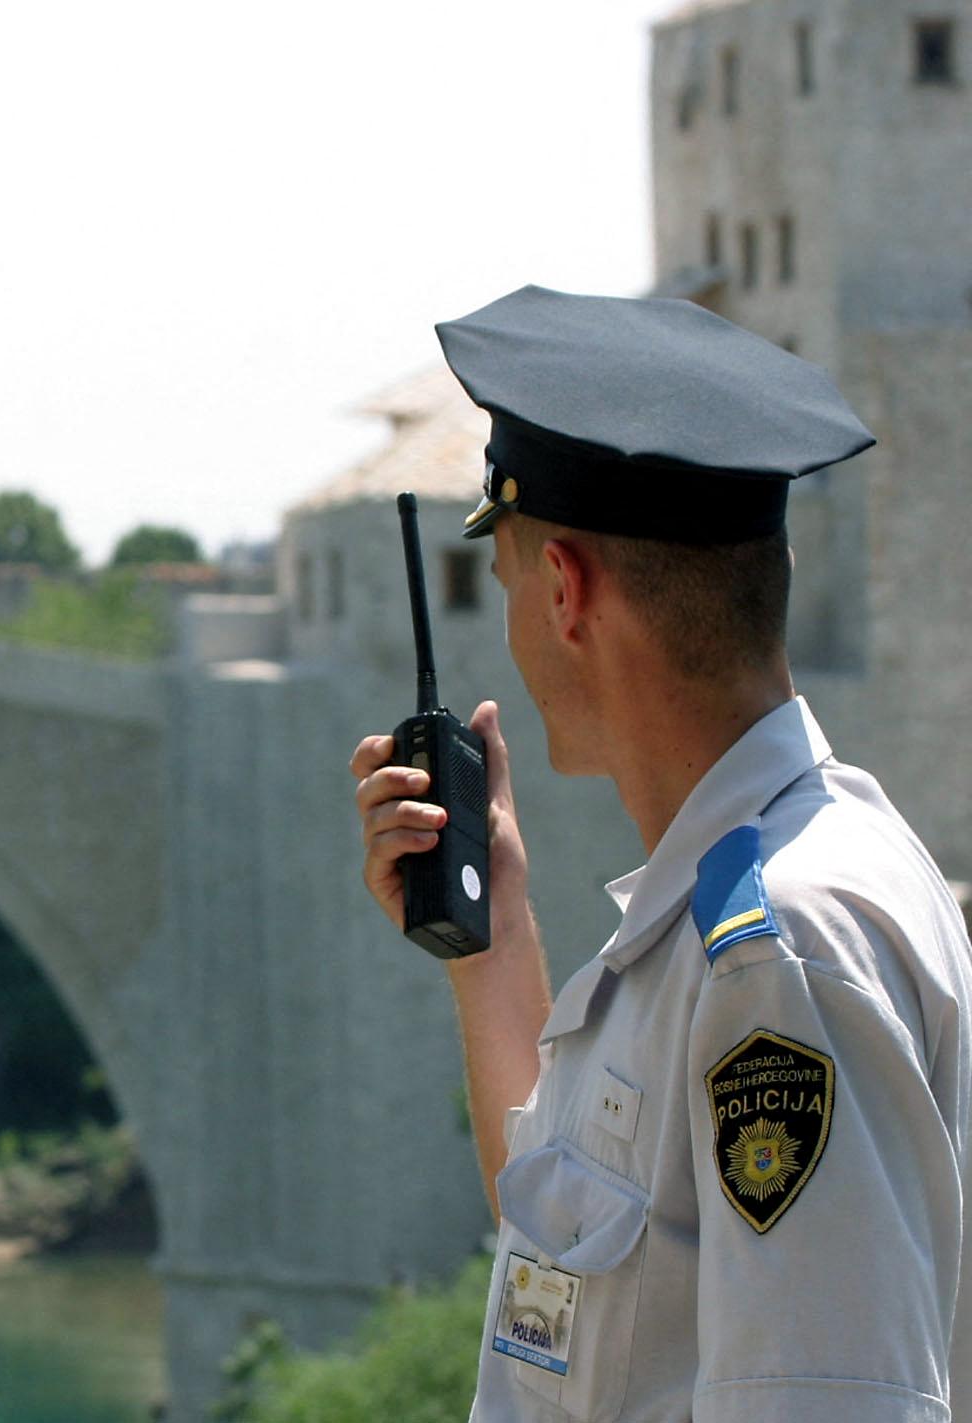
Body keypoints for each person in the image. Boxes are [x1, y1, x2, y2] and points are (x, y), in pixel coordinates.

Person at [350, 285, 972, 1421]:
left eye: (503, 585)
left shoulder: (778, 951)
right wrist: (490, 941)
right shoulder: (737, 904)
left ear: (562, 589)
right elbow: (566, 1249)